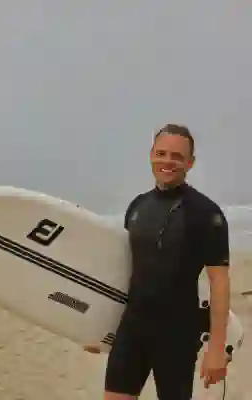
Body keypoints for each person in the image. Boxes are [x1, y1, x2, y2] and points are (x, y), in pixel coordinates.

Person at [84, 124, 230, 400]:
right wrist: (96, 326)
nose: (168, 161)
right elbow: (122, 271)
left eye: (177, 156)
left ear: (190, 163)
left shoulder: (205, 213)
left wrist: (217, 348)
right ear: (151, 155)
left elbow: (219, 281)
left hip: (177, 333)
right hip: (132, 328)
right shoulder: (138, 206)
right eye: (161, 153)